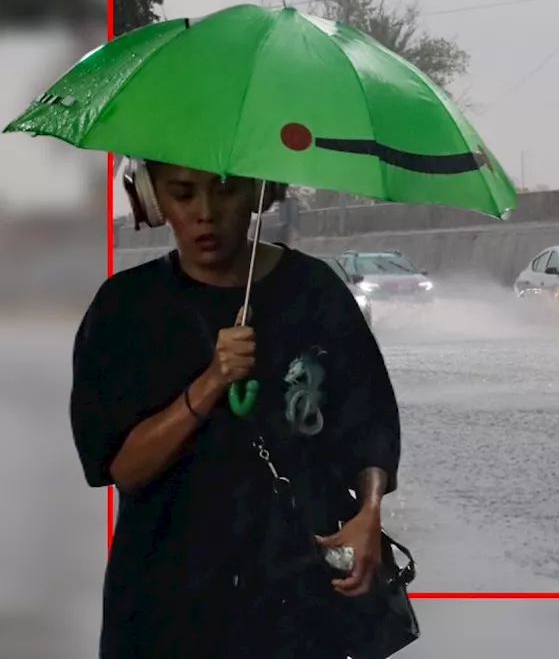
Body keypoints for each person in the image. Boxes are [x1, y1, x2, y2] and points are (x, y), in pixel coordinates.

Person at [71, 159, 402, 658]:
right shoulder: (125, 309)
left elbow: (369, 421)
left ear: (260, 193)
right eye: (183, 194)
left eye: (225, 192)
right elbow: (124, 468)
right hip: (167, 601)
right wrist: (212, 382)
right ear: (154, 201)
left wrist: (368, 513)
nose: (206, 213)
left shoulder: (315, 292)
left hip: (295, 594)